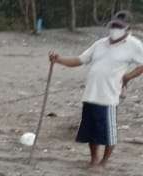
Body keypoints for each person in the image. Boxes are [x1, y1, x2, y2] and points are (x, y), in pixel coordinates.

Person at [49, 11, 143, 167]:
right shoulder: (100, 43)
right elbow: (79, 60)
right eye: (113, 25)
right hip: (91, 94)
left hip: (109, 96)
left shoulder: (134, 45)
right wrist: (58, 60)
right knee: (91, 131)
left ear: (127, 28)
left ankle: (104, 162)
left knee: (108, 133)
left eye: (118, 26)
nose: (115, 28)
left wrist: (127, 77)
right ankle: (93, 159)